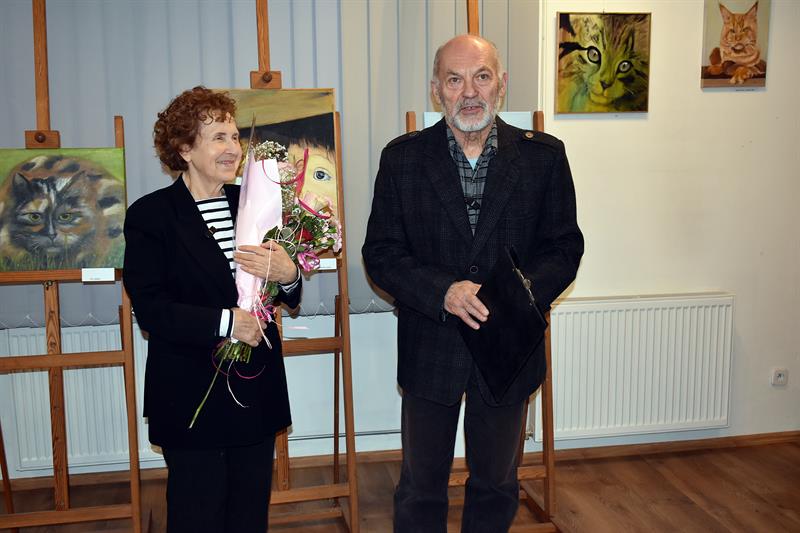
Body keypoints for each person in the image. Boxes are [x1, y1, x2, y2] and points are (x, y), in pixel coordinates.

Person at [362, 35, 583, 532]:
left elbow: (564, 248)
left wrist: (513, 296)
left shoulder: (544, 157)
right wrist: (444, 291)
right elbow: (381, 253)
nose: (469, 92)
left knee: (497, 485)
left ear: (501, 84)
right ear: (435, 89)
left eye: (481, 77)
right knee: (420, 488)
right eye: (454, 79)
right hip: (430, 345)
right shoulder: (402, 159)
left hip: (509, 347)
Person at [123, 86, 301, 533]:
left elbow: (284, 294)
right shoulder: (152, 215)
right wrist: (228, 323)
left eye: (235, 136)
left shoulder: (257, 202)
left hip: (254, 390)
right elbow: (152, 309)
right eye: (218, 137)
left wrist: (288, 274)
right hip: (189, 396)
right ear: (185, 149)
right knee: (196, 515)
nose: (233, 148)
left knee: (249, 516)